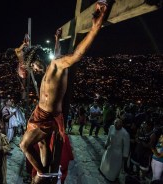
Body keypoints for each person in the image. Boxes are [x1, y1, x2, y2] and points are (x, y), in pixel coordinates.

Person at [19, 3, 107, 183]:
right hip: (40, 113)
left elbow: (76, 55)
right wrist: (57, 39)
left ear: (37, 59)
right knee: (42, 144)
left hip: (47, 116)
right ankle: (46, 173)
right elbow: (57, 53)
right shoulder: (53, 64)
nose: (35, 69)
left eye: (34, 65)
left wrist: (95, 28)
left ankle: (44, 174)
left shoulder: (57, 65)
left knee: (24, 145)